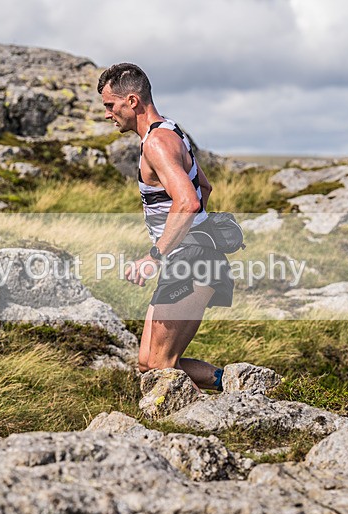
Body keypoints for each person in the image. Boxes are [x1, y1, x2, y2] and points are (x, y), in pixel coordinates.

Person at [98, 63, 234, 391]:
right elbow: (205, 187)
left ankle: (244, 385)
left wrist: (155, 256)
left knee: (161, 365)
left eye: (110, 105)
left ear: (132, 101)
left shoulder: (157, 143)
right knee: (148, 363)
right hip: (190, 256)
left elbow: (188, 201)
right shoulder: (173, 133)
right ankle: (230, 382)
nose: (107, 114)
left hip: (191, 259)